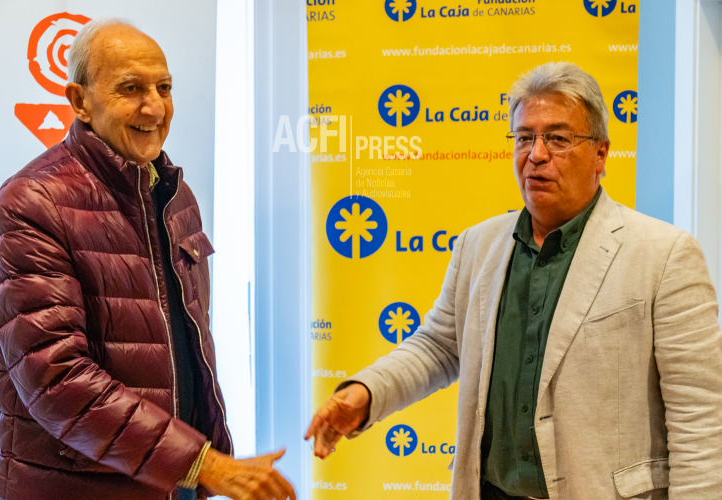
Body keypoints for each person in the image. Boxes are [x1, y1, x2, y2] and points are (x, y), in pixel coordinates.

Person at [306, 62, 722, 499]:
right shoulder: (477, 245)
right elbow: (439, 347)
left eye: (557, 138)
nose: (536, 154)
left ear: (600, 154)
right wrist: (366, 393)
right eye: (524, 137)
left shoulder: (664, 254)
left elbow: (700, 418)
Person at [0, 19, 295, 500]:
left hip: (172, 480)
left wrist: (198, 464)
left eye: (164, 88)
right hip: (77, 489)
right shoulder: (33, 201)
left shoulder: (175, 195)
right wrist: (201, 463)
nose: (154, 106)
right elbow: (56, 379)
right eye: (130, 88)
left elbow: (188, 350)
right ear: (79, 101)